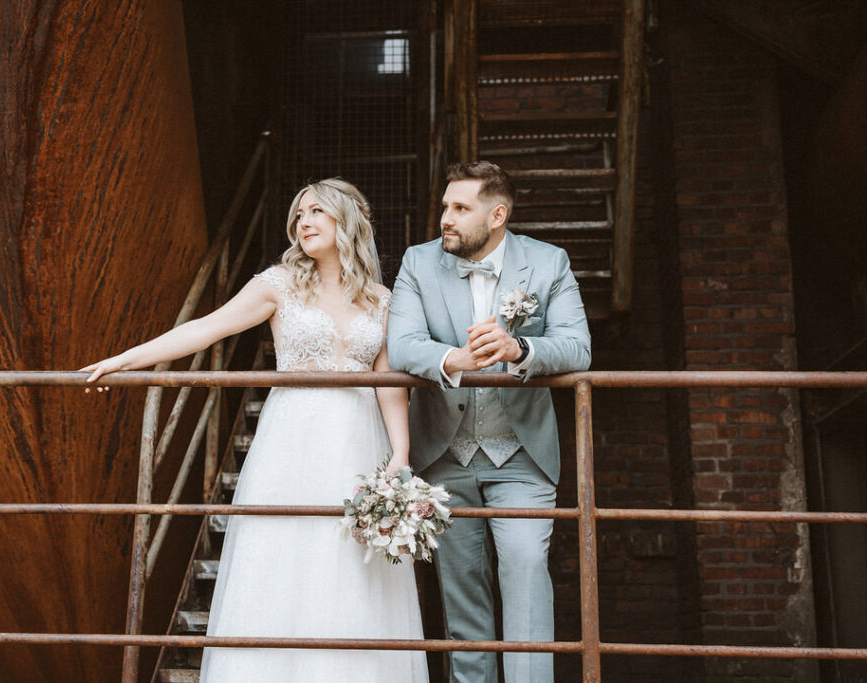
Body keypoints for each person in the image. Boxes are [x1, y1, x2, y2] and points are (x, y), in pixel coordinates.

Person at [81, 178, 428, 682]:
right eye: (299, 214)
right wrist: (126, 360)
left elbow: (388, 381)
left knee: (350, 566)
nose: (303, 222)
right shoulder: (278, 284)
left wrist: (400, 453)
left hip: (357, 442)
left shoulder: (380, 298)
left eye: (315, 212)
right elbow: (206, 327)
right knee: (283, 554)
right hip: (292, 440)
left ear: (345, 220)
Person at [387, 161, 591, 683]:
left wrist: (520, 347)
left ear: (497, 214)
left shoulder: (549, 263)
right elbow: (403, 346)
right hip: (445, 457)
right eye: (444, 208)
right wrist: (454, 360)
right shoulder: (417, 263)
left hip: (521, 459)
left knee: (525, 575)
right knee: (462, 596)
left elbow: (577, 347)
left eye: (460, 209)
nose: (445, 220)